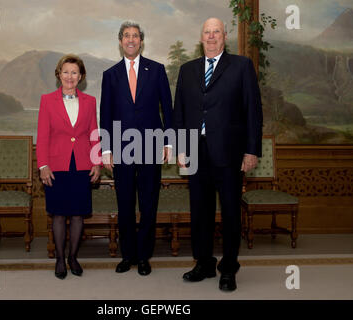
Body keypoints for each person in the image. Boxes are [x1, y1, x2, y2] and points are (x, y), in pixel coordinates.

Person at [173, 17, 263, 291]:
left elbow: (253, 112)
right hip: (194, 153)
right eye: (207, 32)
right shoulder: (187, 70)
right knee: (200, 211)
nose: (211, 37)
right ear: (201, 38)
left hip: (230, 152)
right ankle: (203, 263)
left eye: (216, 32)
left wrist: (251, 150)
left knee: (231, 212)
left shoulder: (241, 66)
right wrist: (178, 147)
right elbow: (179, 112)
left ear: (225, 36)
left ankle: (229, 268)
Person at [100, 21, 173, 276]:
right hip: (121, 149)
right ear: (120, 41)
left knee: (149, 204)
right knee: (125, 204)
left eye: (135, 36)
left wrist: (168, 142)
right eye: (126, 36)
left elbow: (168, 109)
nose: (131, 40)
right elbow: (105, 114)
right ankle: (127, 255)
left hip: (152, 146)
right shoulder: (110, 75)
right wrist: (106, 149)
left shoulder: (157, 70)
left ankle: (144, 257)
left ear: (141, 41)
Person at [37, 54, 101, 280]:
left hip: (82, 165)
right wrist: (43, 165)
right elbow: (43, 136)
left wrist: (97, 161)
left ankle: (73, 257)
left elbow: (94, 133)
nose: (70, 76)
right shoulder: (46, 100)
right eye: (66, 71)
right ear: (59, 74)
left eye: (75, 72)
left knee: (77, 215)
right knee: (58, 214)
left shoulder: (90, 101)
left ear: (81, 76)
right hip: (56, 165)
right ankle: (60, 259)